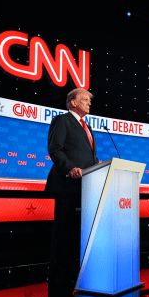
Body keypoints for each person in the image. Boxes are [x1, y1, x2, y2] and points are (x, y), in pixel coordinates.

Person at [45, 88, 99, 284]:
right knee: (63, 231)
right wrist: (70, 168)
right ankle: (58, 274)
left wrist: (99, 165)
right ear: (73, 102)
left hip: (84, 187)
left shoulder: (88, 127)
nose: (89, 103)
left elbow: (88, 157)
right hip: (66, 184)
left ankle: (71, 272)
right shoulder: (62, 120)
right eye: (85, 99)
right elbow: (55, 149)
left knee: (76, 231)